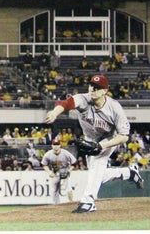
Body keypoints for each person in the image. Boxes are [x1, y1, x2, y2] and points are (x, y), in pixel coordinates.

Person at [45, 74, 144, 213]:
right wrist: (55, 112)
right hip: (90, 138)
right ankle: (128, 173)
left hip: (110, 138)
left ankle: (88, 201)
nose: (93, 89)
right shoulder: (83, 99)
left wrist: (101, 146)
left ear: (105, 91)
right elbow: (66, 103)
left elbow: (124, 136)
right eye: (91, 85)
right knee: (97, 174)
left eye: (97, 87)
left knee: (98, 160)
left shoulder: (114, 108)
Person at [41, 139, 77, 204]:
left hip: (65, 171)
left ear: (60, 145)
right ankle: (56, 205)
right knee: (54, 190)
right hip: (55, 172)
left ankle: (71, 204)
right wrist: (49, 172)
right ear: (52, 145)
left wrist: (69, 171)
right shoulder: (48, 154)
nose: (56, 146)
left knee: (68, 188)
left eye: (57, 144)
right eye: (54, 144)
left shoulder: (65, 153)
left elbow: (74, 162)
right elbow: (44, 164)